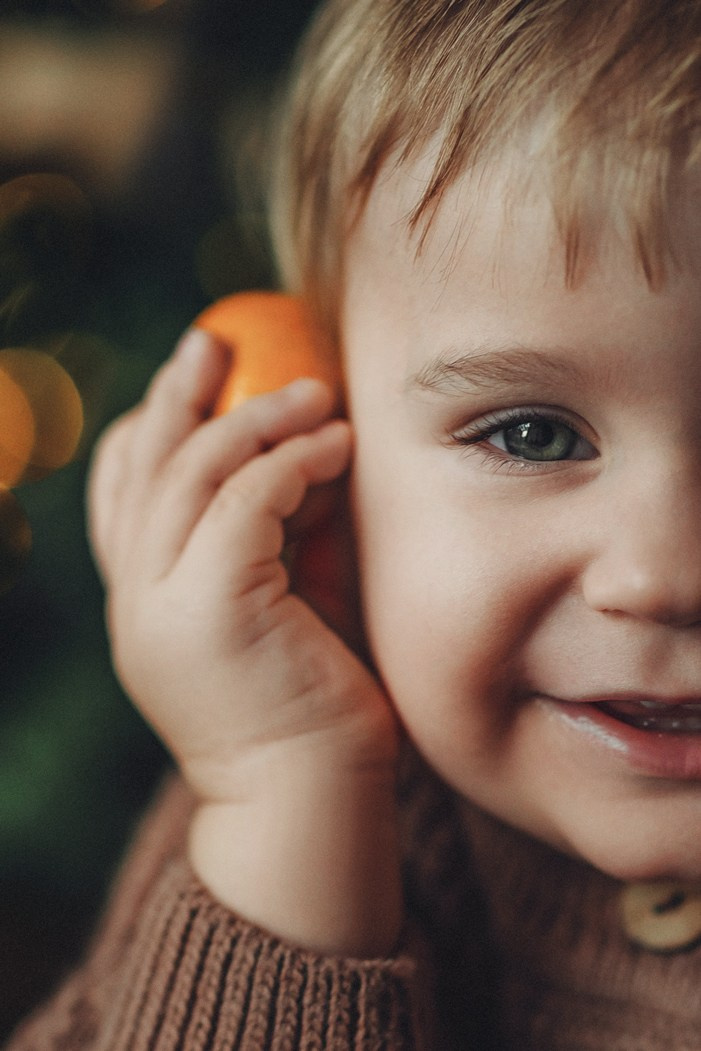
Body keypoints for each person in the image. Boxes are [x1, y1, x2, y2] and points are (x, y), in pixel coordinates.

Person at [9, 0, 701, 1046]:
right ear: (332, 435)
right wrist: (283, 797)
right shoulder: (308, 797)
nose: (663, 576)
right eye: (529, 435)